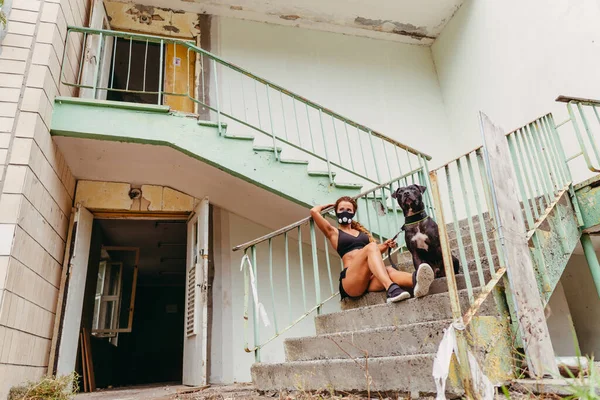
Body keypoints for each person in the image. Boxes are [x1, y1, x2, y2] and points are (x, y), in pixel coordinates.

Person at [311, 196, 434, 303]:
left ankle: (416, 281)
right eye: (341, 209)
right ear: (336, 212)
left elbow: (372, 253)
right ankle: (391, 288)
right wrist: (328, 206)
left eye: (349, 209)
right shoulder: (334, 233)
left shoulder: (361, 233)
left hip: (368, 279)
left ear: (353, 212)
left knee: (389, 270)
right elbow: (314, 212)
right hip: (351, 281)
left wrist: (385, 246)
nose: (345, 212)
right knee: (371, 247)